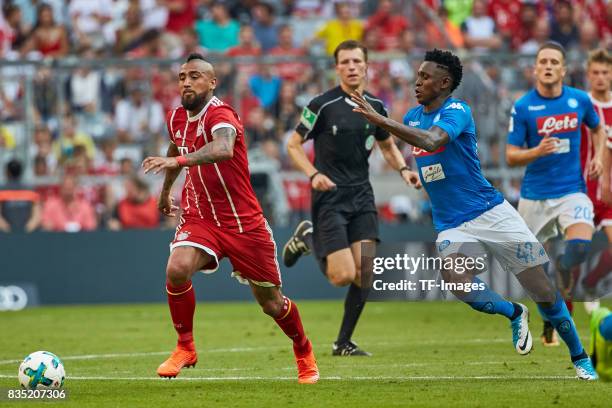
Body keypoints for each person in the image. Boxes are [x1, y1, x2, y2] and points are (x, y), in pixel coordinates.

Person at [351, 48, 598, 380]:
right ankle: (514, 313)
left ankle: (579, 357)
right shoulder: (411, 117)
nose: (417, 81)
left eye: (425, 77)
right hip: (453, 223)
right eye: (418, 75)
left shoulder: (458, 110)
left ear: (444, 82)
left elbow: (431, 140)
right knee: (458, 281)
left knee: (545, 292)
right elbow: (422, 151)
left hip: (492, 213)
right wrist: (409, 172)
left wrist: (381, 120)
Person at [141, 53, 318, 383]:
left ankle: (303, 348)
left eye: (195, 76)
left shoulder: (221, 114)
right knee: (177, 269)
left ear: (211, 82)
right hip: (201, 217)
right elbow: (173, 148)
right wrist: (166, 191)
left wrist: (179, 163)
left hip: (243, 223)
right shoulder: (176, 118)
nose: (186, 82)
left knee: (271, 304)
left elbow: (222, 148)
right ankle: (185, 346)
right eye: (182, 76)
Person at [282, 40, 420, 356]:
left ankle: (343, 342)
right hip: (329, 196)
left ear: (367, 66)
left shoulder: (376, 107)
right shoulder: (321, 105)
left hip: (362, 195)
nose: (352, 67)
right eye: (345, 62)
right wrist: (313, 175)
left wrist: (403, 170)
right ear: (337, 68)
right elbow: (292, 144)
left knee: (366, 270)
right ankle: (308, 235)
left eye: (357, 61)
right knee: (342, 276)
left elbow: (386, 145)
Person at [505, 41, 607, 347]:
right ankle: (551, 318)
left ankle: (565, 266)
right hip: (534, 197)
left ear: (563, 69)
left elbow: (598, 128)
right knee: (534, 272)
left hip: (571, 192)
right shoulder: (523, 107)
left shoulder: (579, 101)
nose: (548, 66)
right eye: (543, 62)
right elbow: (511, 155)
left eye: (554, 62)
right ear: (535, 68)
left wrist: (598, 157)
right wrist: (537, 150)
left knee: (577, 248)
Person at [580, 48, 612, 311]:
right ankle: (559, 316)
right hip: (583, 190)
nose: (601, 77)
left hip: (610, 192)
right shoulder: (582, 106)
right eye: (596, 73)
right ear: (588, 76)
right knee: (577, 250)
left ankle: (590, 284)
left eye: (605, 72)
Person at [0, 159, 40, 233]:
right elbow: (36, 216)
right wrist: (26, 230)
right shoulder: (31, 190)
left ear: (7, 172)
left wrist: (8, 230)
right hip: (27, 237)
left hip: (5, 238)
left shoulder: (1, 190)